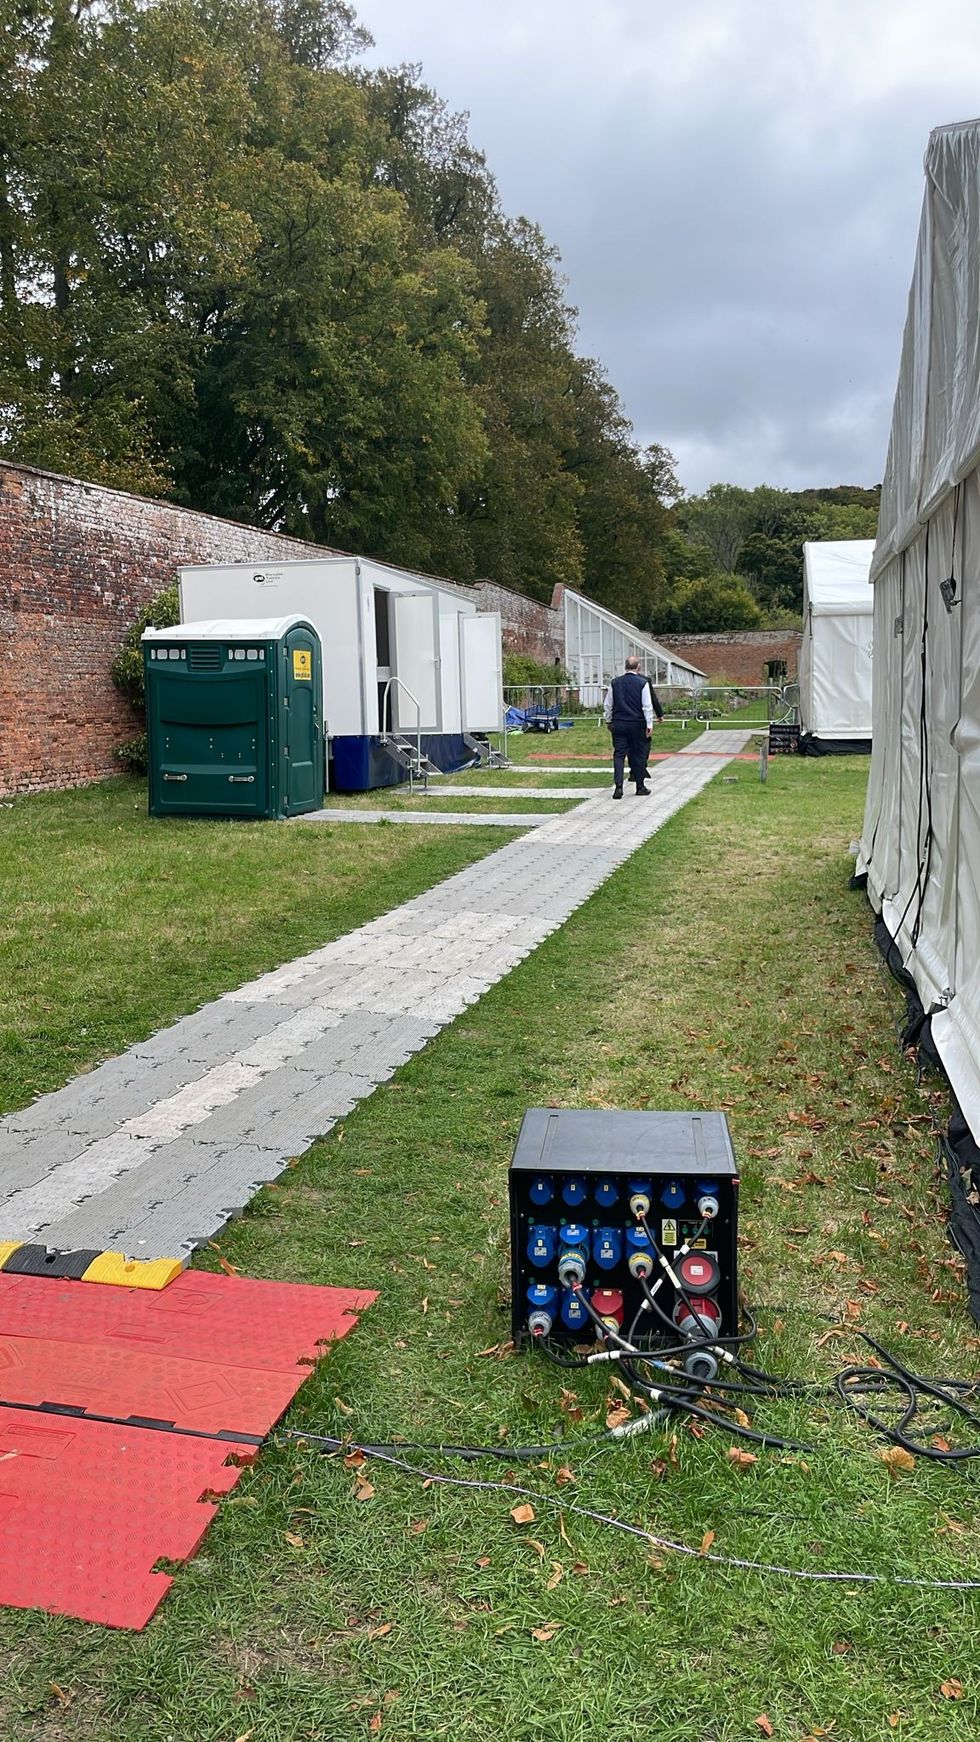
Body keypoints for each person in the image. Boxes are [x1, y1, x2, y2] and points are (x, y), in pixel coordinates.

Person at [603, 655, 655, 797]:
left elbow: (608, 705)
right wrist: (649, 724)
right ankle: (640, 786)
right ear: (638, 667)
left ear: (625, 667)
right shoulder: (642, 683)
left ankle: (618, 787)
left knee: (619, 754)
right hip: (637, 724)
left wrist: (608, 720)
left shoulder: (615, 683)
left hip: (619, 723)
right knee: (637, 754)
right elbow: (646, 706)